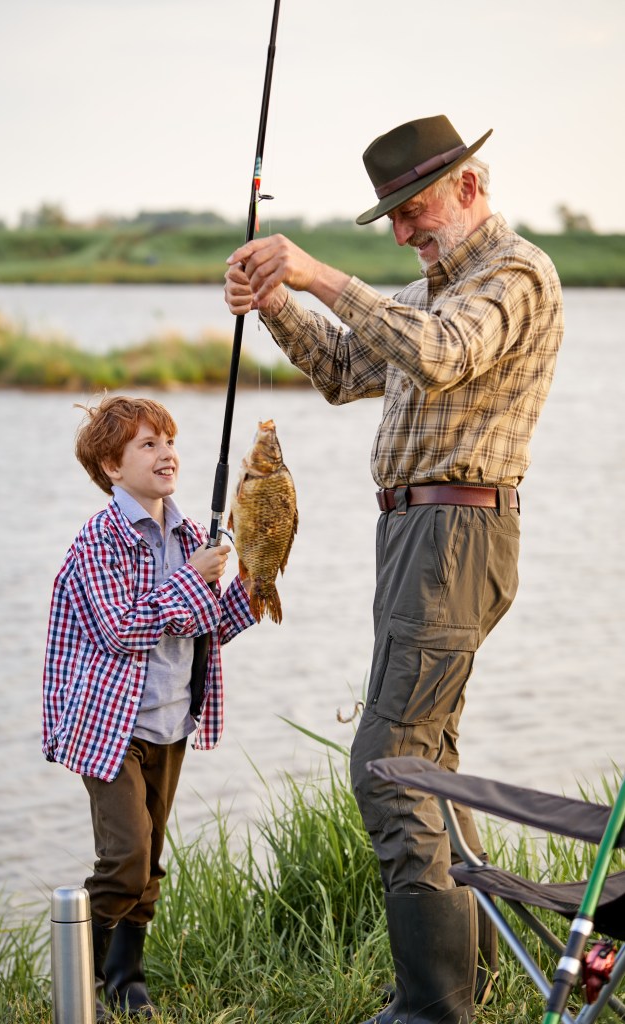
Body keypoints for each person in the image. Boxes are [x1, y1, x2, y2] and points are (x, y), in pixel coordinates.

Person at [224, 114, 564, 1023]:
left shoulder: (513, 275)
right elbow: (342, 368)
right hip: (415, 539)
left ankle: (431, 1008)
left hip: (456, 536)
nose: (407, 230)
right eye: (395, 219)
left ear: (469, 187)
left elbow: (440, 355)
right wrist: (276, 302)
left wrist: (320, 273)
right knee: (429, 759)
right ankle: (471, 981)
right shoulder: (428, 293)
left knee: (388, 763)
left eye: (413, 210)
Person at [42, 395, 256, 1021]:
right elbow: (122, 630)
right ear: (112, 466)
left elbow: (207, 625)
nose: (166, 454)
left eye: (169, 441)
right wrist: (192, 577)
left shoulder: (193, 534)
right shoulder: (98, 540)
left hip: (169, 719)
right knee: (126, 858)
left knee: (151, 858)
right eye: (147, 444)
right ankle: (77, 978)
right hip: (107, 725)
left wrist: (254, 578)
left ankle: (125, 979)